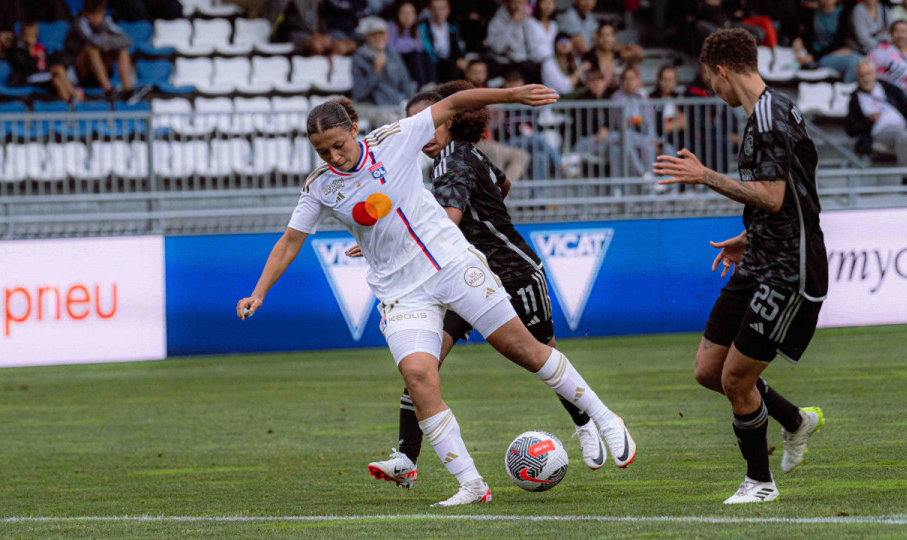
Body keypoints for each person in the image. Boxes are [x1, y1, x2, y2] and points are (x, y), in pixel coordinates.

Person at [236, 83, 637, 507]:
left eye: (338, 146)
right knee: (419, 378)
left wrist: (512, 95)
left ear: (354, 129)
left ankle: (605, 418)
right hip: (400, 293)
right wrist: (259, 291)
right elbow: (289, 241)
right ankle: (471, 486)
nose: (334, 158)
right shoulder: (319, 186)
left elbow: (452, 103)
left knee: (525, 350)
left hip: (451, 264)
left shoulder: (394, 138)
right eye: (323, 152)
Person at [365, 81, 607, 488]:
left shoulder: (453, 164)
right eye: (414, 126)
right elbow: (500, 184)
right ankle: (407, 457)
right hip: (464, 279)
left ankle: (586, 426)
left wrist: (405, 241)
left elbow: (450, 220)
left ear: (450, 122)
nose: (421, 134)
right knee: (423, 368)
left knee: (542, 356)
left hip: (512, 271)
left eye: (429, 125)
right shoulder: (462, 158)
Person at [652, 28, 827, 504]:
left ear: (721, 69)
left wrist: (704, 174)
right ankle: (794, 420)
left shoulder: (768, 120)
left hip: (789, 269)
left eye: (710, 79)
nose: (712, 88)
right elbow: (792, 195)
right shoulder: (773, 109)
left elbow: (772, 198)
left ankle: (760, 483)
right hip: (761, 256)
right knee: (710, 370)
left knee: (735, 379)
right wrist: (748, 238)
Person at [847, 58, 907, 171]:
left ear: (874, 74)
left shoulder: (886, 87)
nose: (865, 78)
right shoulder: (855, 98)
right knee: (903, 137)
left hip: (904, 128)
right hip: (880, 132)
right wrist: (869, 120)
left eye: (868, 74)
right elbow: (851, 128)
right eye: (862, 75)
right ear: (857, 78)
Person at [61, 0, 134, 99]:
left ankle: (128, 91)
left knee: (122, 50)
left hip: (101, 67)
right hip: (81, 71)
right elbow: (92, 41)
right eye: (92, 15)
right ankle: (108, 90)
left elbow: (127, 40)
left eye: (98, 14)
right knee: (91, 49)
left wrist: (108, 43)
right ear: (86, 14)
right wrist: (108, 42)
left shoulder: (107, 21)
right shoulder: (79, 23)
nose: (95, 19)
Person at [8, 20, 81, 102]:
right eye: (29, 35)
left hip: (44, 76)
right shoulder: (18, 51)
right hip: (31, 77)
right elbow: (27, 66)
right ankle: (74, 94)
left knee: (57, 80)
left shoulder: (40, 48)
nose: (32, 38)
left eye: (34, 35)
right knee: (58, 69)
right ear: (22, 35)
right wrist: (30, 50)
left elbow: (48, 62)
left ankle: (71, 103)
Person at [793, 0, 862, 83]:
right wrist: (812, 55)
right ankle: (847, 91)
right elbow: (804, 36)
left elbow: (839, 41)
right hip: (820, 57)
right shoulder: (811, 13)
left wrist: (839, 50)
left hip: (835, 52)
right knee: (853, 63)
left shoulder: (843, 13)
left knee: (862, 60)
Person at [351, 16, 414, 106]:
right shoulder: (359, 58)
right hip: (372, 107)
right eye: (373, 34)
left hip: (397, 103)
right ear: (366, 37)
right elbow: (359, 94)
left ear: (387, 35)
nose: (378, 38)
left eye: (381, 34)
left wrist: (408, 101)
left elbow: (406, 84)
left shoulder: (394, 55)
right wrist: (375, 72)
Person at [485, 0, 539, 82]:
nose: (518, 6)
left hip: (526, 62)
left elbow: (533, 45)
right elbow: (498, 48)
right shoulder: (497, 21)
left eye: (521, 3)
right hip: (504, 63)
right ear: (508, 3)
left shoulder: (529, 20)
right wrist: (512, 23)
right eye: (515, 2)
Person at [389, 0, 436, 87]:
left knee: (426, 56)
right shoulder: (392, 26)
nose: (407, 17)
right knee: (415, 56)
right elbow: (392, 48)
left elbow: (420, 46)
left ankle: (432, 84)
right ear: (398, 14)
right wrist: (410, 45)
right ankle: (422, 86)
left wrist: (408, 45)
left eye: (410, 13)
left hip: (413, 57)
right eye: (404, 13)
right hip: (399, 59)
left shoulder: (417, 28)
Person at [419, 0, 467, 83]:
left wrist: (460, 59)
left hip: (450, 61)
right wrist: (453, 62)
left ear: (448, 10)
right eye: (434, 9)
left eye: (442, 8)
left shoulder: (453, 27)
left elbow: (459, 47)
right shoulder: (424, 27)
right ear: (429, 11)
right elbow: (428, 51)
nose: (438, 12)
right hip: (434, 62)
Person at [526, 0, 558, 64]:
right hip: (536, 62)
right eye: (545, 3)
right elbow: (531, 48)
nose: (548, 6)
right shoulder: (530, 22)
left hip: (554, 62)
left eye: (551, 3)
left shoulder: (554, 25)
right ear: (538, 4)